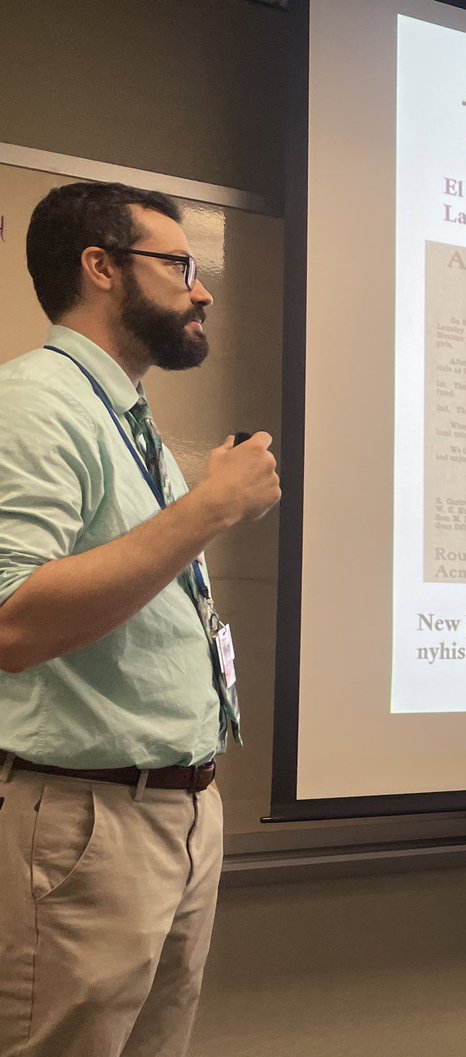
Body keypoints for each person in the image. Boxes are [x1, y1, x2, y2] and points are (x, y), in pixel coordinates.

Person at [0, 182, 281, 1057]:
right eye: (180, 266)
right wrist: (212, 507)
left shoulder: (124, 412)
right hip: (87, 821)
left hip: (177, 812)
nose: (204, 290)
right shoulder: (36, 402)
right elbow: (11, 624)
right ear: (101, 267)